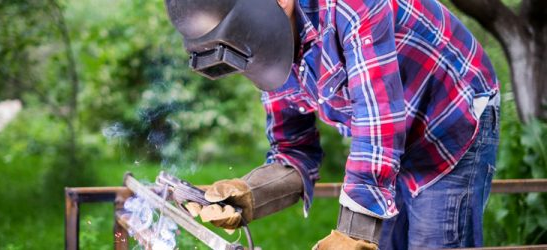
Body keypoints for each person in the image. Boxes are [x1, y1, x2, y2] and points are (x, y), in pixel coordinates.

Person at [165, 0, 500, 249]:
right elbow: (294, 147)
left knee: (433, 240)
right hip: (387, 137)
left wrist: (354, 231)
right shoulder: (266, 43)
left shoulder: (351, 5)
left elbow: (377, 118)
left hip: (449, 113)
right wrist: (251, 193)